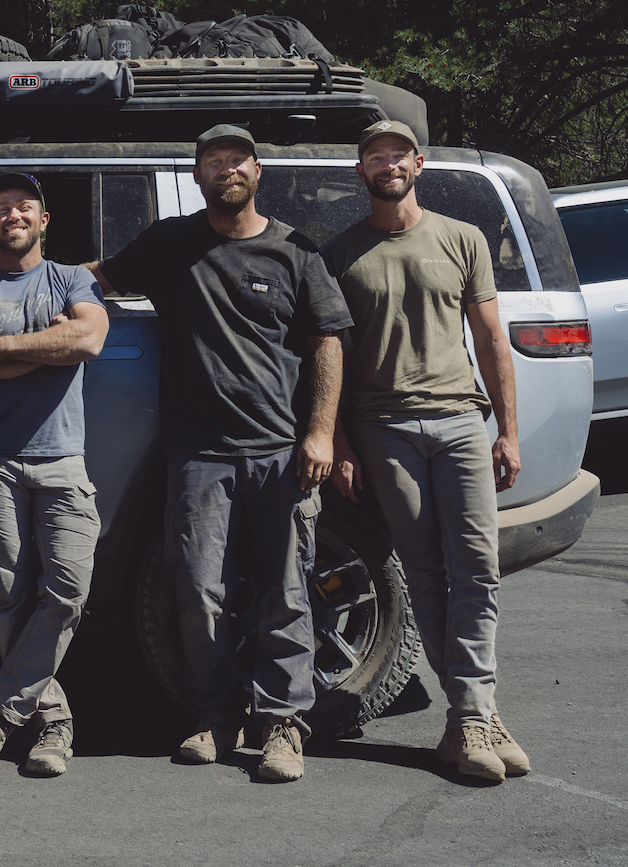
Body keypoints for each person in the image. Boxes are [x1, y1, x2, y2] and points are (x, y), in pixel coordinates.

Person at [89, 124, 350, 782]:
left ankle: (283, 726)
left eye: (237, 159)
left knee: (287, 591)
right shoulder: (171, 243)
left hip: (280, 451)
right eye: (214, 161)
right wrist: (20, 283)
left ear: (258, 171)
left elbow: (327, 342)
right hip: (199, 453)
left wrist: (319, 432)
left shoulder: (294, 250)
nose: (226, 169)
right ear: (199, 174)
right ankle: (214, 715)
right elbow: (102, 278)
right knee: (198, 591)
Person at [324, 119, 531, 783]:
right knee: (425, 575)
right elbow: (333, 361)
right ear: (362, 172)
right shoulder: (342, 254)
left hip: (462, 422)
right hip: (385, 430)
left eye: (397, 154)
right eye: (374, 156)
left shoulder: (461, 238)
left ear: (419, 163)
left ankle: (471, 714)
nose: (387, 164)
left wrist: (508, 429)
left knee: (477, 570)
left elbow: (492, 341)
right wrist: (344, 442)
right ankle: (475, 717)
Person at [0, 173, 109, 776]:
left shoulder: (72, 278)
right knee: (8, 598)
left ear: (44, 220)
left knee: (70, 589)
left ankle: (2, 718)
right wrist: (49, 347)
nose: (14, 214)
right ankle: (55, 723)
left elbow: (88, 339)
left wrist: (5, 349)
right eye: (1, 208)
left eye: (25, 206)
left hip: (62, 457)